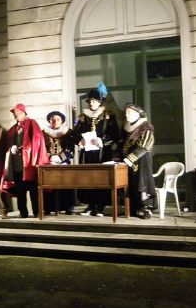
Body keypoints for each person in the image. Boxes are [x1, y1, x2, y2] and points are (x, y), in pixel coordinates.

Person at [74, 87, 120, 216]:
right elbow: (75, 134)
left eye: (94, 101)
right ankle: (90, 205)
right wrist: (80, 140)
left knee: (101, 178)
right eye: (89, 101)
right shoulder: (83, 117)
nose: (91, 103)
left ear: (100, 102)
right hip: (87, 154)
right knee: (88, 178)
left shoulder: (108, 116)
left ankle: (100, 206)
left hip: (102, 153)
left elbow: (115, 134)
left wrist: (102, 140)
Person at [1, 103, 48, 218]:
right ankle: (23, 212)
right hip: (17, 165)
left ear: (23, 112)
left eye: (17, 112)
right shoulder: (13, 129)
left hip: (29, 164)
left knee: (33, 190)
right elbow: (8, 144)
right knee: (20, 191)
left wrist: (25, 148)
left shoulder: (32, 123)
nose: (15, 115)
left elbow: (37, 140)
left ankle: (37, 212)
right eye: (14, 113)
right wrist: (11, 148)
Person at [119, 104, 158, 219]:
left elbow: (145, 145)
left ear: (138, 114)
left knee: (142, 183)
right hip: (128, 162)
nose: (127, 115)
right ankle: (132, 208)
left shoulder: (146, 127)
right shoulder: (126, 128)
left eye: (130, 113)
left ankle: (145, 208)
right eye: (126, 113)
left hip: (141, 161)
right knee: (130, 184)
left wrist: (131, 158)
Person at [42, 110, 76, 215]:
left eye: (58, 119)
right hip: (49, 162)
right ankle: (49, 208)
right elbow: (41, 148)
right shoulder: (44, 133)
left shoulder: (68, 132)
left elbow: (70, 149)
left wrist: (60, 158)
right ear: (49, 121)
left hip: (64, 162)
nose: (55, 121)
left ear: (61, 121)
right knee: (48, 186)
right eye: (53, 120)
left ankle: (67, 207)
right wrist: (49, 157)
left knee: (66, 185)